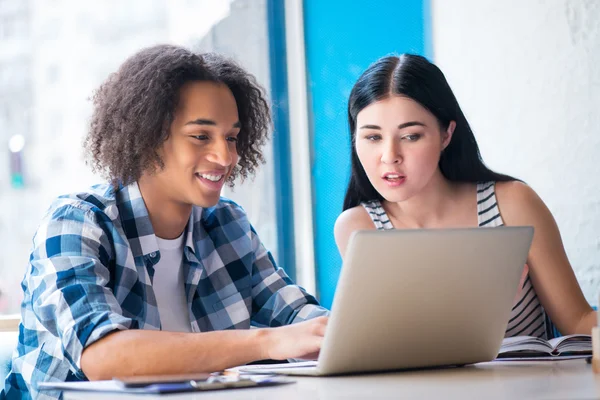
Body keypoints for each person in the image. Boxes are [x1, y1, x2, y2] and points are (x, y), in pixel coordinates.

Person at [3, 45, 328, 400]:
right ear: (149, 137)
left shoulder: (227, 223)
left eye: (232, 138)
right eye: (201, 136)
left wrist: (344, 333)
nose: (226, 156)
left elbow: (299, 318)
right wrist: (268, 341)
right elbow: (103, 356)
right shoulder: (76, 223)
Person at [334, 54, 596, 340]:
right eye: (373, 137)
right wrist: (477, 313)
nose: (389, 157)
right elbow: (392, 348)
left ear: (446, 134)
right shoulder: (360, 228)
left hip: (534, 385)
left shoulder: (513, 205)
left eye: (411, 136)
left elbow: (579, 320)